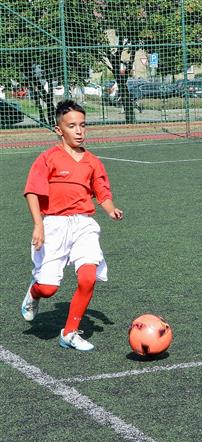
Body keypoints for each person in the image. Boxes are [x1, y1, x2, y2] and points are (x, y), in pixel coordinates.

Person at [20, 99, 124, 351]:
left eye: (83, 125)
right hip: (54, 224)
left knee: (88, 277)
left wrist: (110, 209)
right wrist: (38, 225)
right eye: (72, 126)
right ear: (59, 130)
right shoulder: (47, 159)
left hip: (84, 225)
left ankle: (69, 332)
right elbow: (32, 192)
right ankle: (33, 294)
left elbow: (102, 190)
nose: (79, 131)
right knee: (48, 289)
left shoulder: (92, 161)